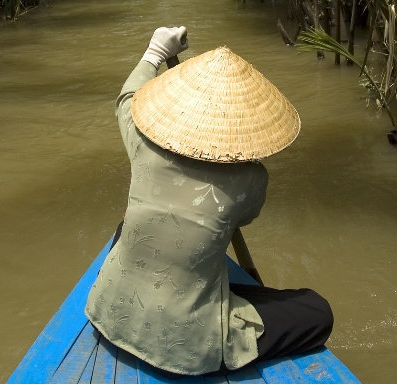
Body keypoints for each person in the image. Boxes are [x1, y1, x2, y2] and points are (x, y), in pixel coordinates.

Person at [85, 27, 333, 376]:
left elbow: (127, 98)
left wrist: (156, 51)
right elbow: (244, 219)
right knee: (317, 311)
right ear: (243, 126)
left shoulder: (143, 143)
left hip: (106, 311)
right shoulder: (251, 178)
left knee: (128, 223)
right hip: (183, 347)